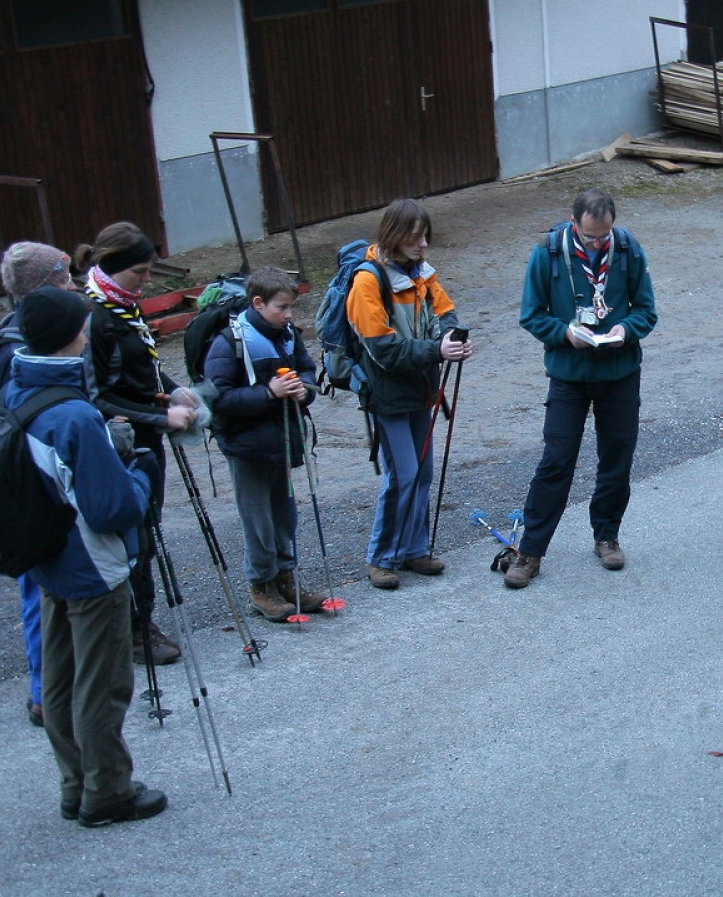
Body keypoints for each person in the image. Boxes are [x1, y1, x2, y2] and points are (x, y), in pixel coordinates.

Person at [6, 287, 166, 826]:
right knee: (103, 682)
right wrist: (141, 470)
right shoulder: (73, 417)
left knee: (61, 675)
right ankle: (108, 792)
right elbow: (112, 508)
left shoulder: (17, 391)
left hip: (46, 555)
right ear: (72, 335)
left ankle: (75, 783)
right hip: (91, 564)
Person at [507, 188, 658, 589]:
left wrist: (627, 329)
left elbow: (647, 310)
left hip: (619, 372)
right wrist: (563, 333)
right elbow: (530, 314)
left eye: (603, 235)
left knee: (617, 457)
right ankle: (530, 552)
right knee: (556, 460)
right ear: (574, 224)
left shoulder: (627, 249)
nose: (597, 242)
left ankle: (606, 536)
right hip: (569, 374)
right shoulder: (548, 253)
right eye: (590, 236)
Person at [74, 222, 195, 666]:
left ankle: (140, 620)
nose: (147, 281)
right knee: (132, 534)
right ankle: (132, 629)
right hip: (118, 443)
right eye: (140, 272)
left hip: (146, 437)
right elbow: (95, 396)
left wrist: (172, 388)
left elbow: (143, 365)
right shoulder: (95, 316)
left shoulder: (123, 306)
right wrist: (160, 416)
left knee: (147, 530)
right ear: (111, 267)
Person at [347, 199, 471, 590]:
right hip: (387, 394)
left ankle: (414, 549)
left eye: (425, 237)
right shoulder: (368, 282)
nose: (423, 246)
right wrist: (437, 350)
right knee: (403, 474)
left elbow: (445, 312)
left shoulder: (420, 275)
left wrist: (451, 337)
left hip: (422, 389)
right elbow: (382, 350)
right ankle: (381, 558)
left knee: (422, 473)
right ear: (395, 236)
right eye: (415, 238)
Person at [0, 241, 76, 728]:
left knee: (43, 590)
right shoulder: (18, 346)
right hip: (30, 488)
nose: (73, 285)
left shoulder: (17, 334)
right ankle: (45, 691)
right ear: (43, 286)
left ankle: (54, 684)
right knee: (38, 592)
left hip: (33, 481)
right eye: (63, 278)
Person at [203, 267, 324, 620]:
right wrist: (269, 393)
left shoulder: (287, 335)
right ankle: (261, 586)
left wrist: (303, 389)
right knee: (258, 518)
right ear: (257, 303)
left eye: (291, 308)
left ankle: (286, 578)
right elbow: (219, 398)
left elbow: (306, 370)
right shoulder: (228, 342)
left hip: (284, 441)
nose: (289, 315)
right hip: (247, 447)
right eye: (282, 308)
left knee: (284, 514)